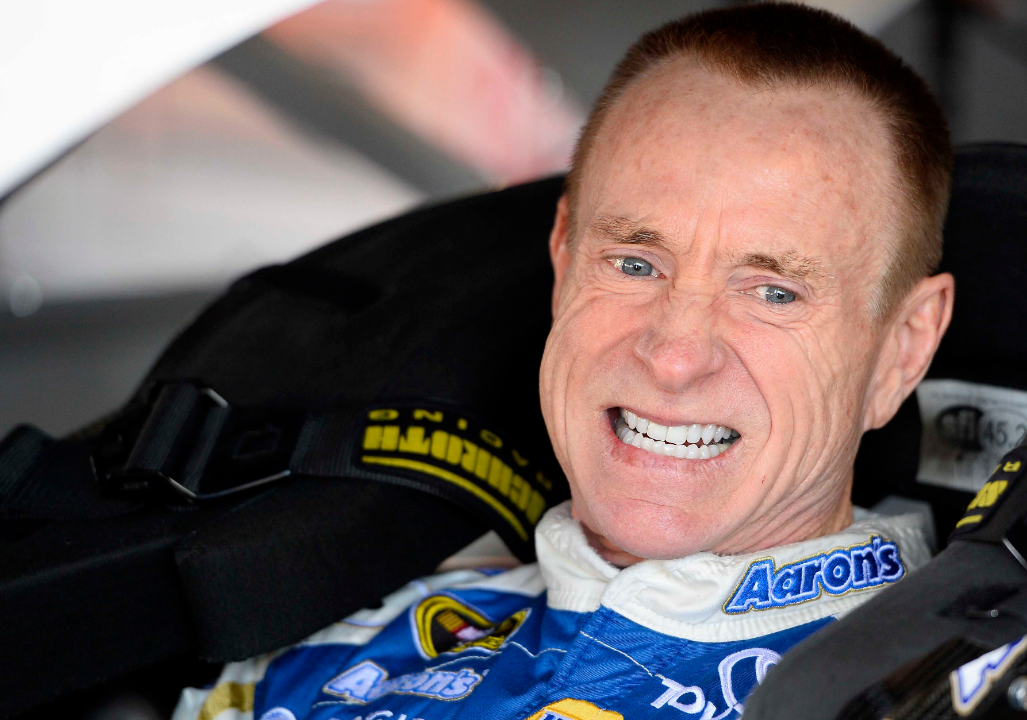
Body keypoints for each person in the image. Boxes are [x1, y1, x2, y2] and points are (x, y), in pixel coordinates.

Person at [175, 4, 955, 719]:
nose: (675, 356)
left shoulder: (970, 688)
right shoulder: (324, 641)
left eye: (774, 293)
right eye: (635, 264)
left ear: (902, 348)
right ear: (563, 256)